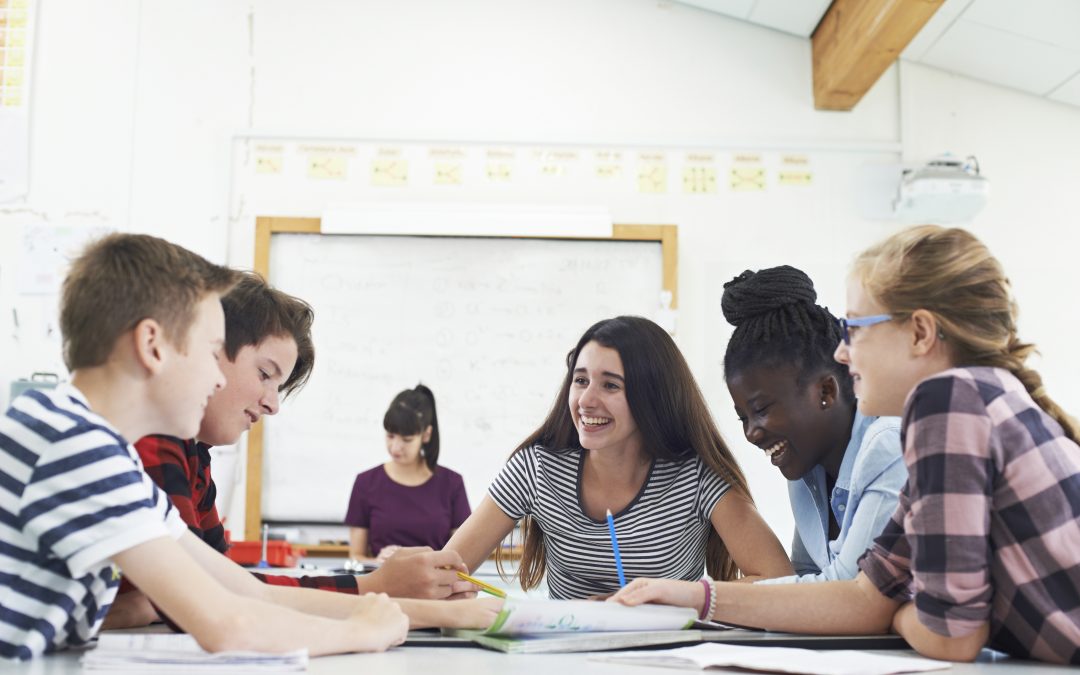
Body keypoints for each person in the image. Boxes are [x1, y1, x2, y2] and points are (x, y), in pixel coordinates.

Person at [609, 226, 1080, 665]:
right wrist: (695, 596)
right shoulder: (972, 402)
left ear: (919, 333)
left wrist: (897, 615)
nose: (841, 352)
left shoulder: (948, 402)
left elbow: (952, 635)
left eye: (855, 328)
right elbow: (864, 595)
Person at [0, 234, 410, 660]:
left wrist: (374, 610)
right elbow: (228, 626)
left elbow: (246, 594)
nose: (216, 378)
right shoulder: (73, 443)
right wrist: (365, 632)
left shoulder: (102, 450)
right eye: (211, 352)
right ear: (152, 345)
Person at [103, 273, 482, 632]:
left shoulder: (193, 455)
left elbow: (229, 585)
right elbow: (212, 599)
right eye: (265, 375)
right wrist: (382, 593)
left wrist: (380, 588)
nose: (272, 405)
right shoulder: (153, 437)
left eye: (279, 387)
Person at [445, 316, 793, 599]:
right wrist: (451, 589)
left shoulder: (696, 475)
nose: (586, 401)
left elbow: (778, 581)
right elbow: (446, 572)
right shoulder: (537, 468)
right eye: (580, 381)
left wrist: (670, 599)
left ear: (652, 396)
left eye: (610, 385)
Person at [721, 265, 904, 583]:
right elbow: (806, 575)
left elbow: (847, 591)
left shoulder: (890, 444)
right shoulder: (805, 471)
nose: (751, 432)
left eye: (761, 409)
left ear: (826, 391)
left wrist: (704, 598)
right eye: (743, 417)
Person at [346, 385, 471, 563]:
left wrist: (426, 560)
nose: (396, 447)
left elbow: (463, 557)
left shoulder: (452, 483)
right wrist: (378, 562)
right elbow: (356, 557)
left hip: (437, 587)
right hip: (382, 587)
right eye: (390, 436)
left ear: (426, 435)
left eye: (407, 439)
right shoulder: (366, 482)